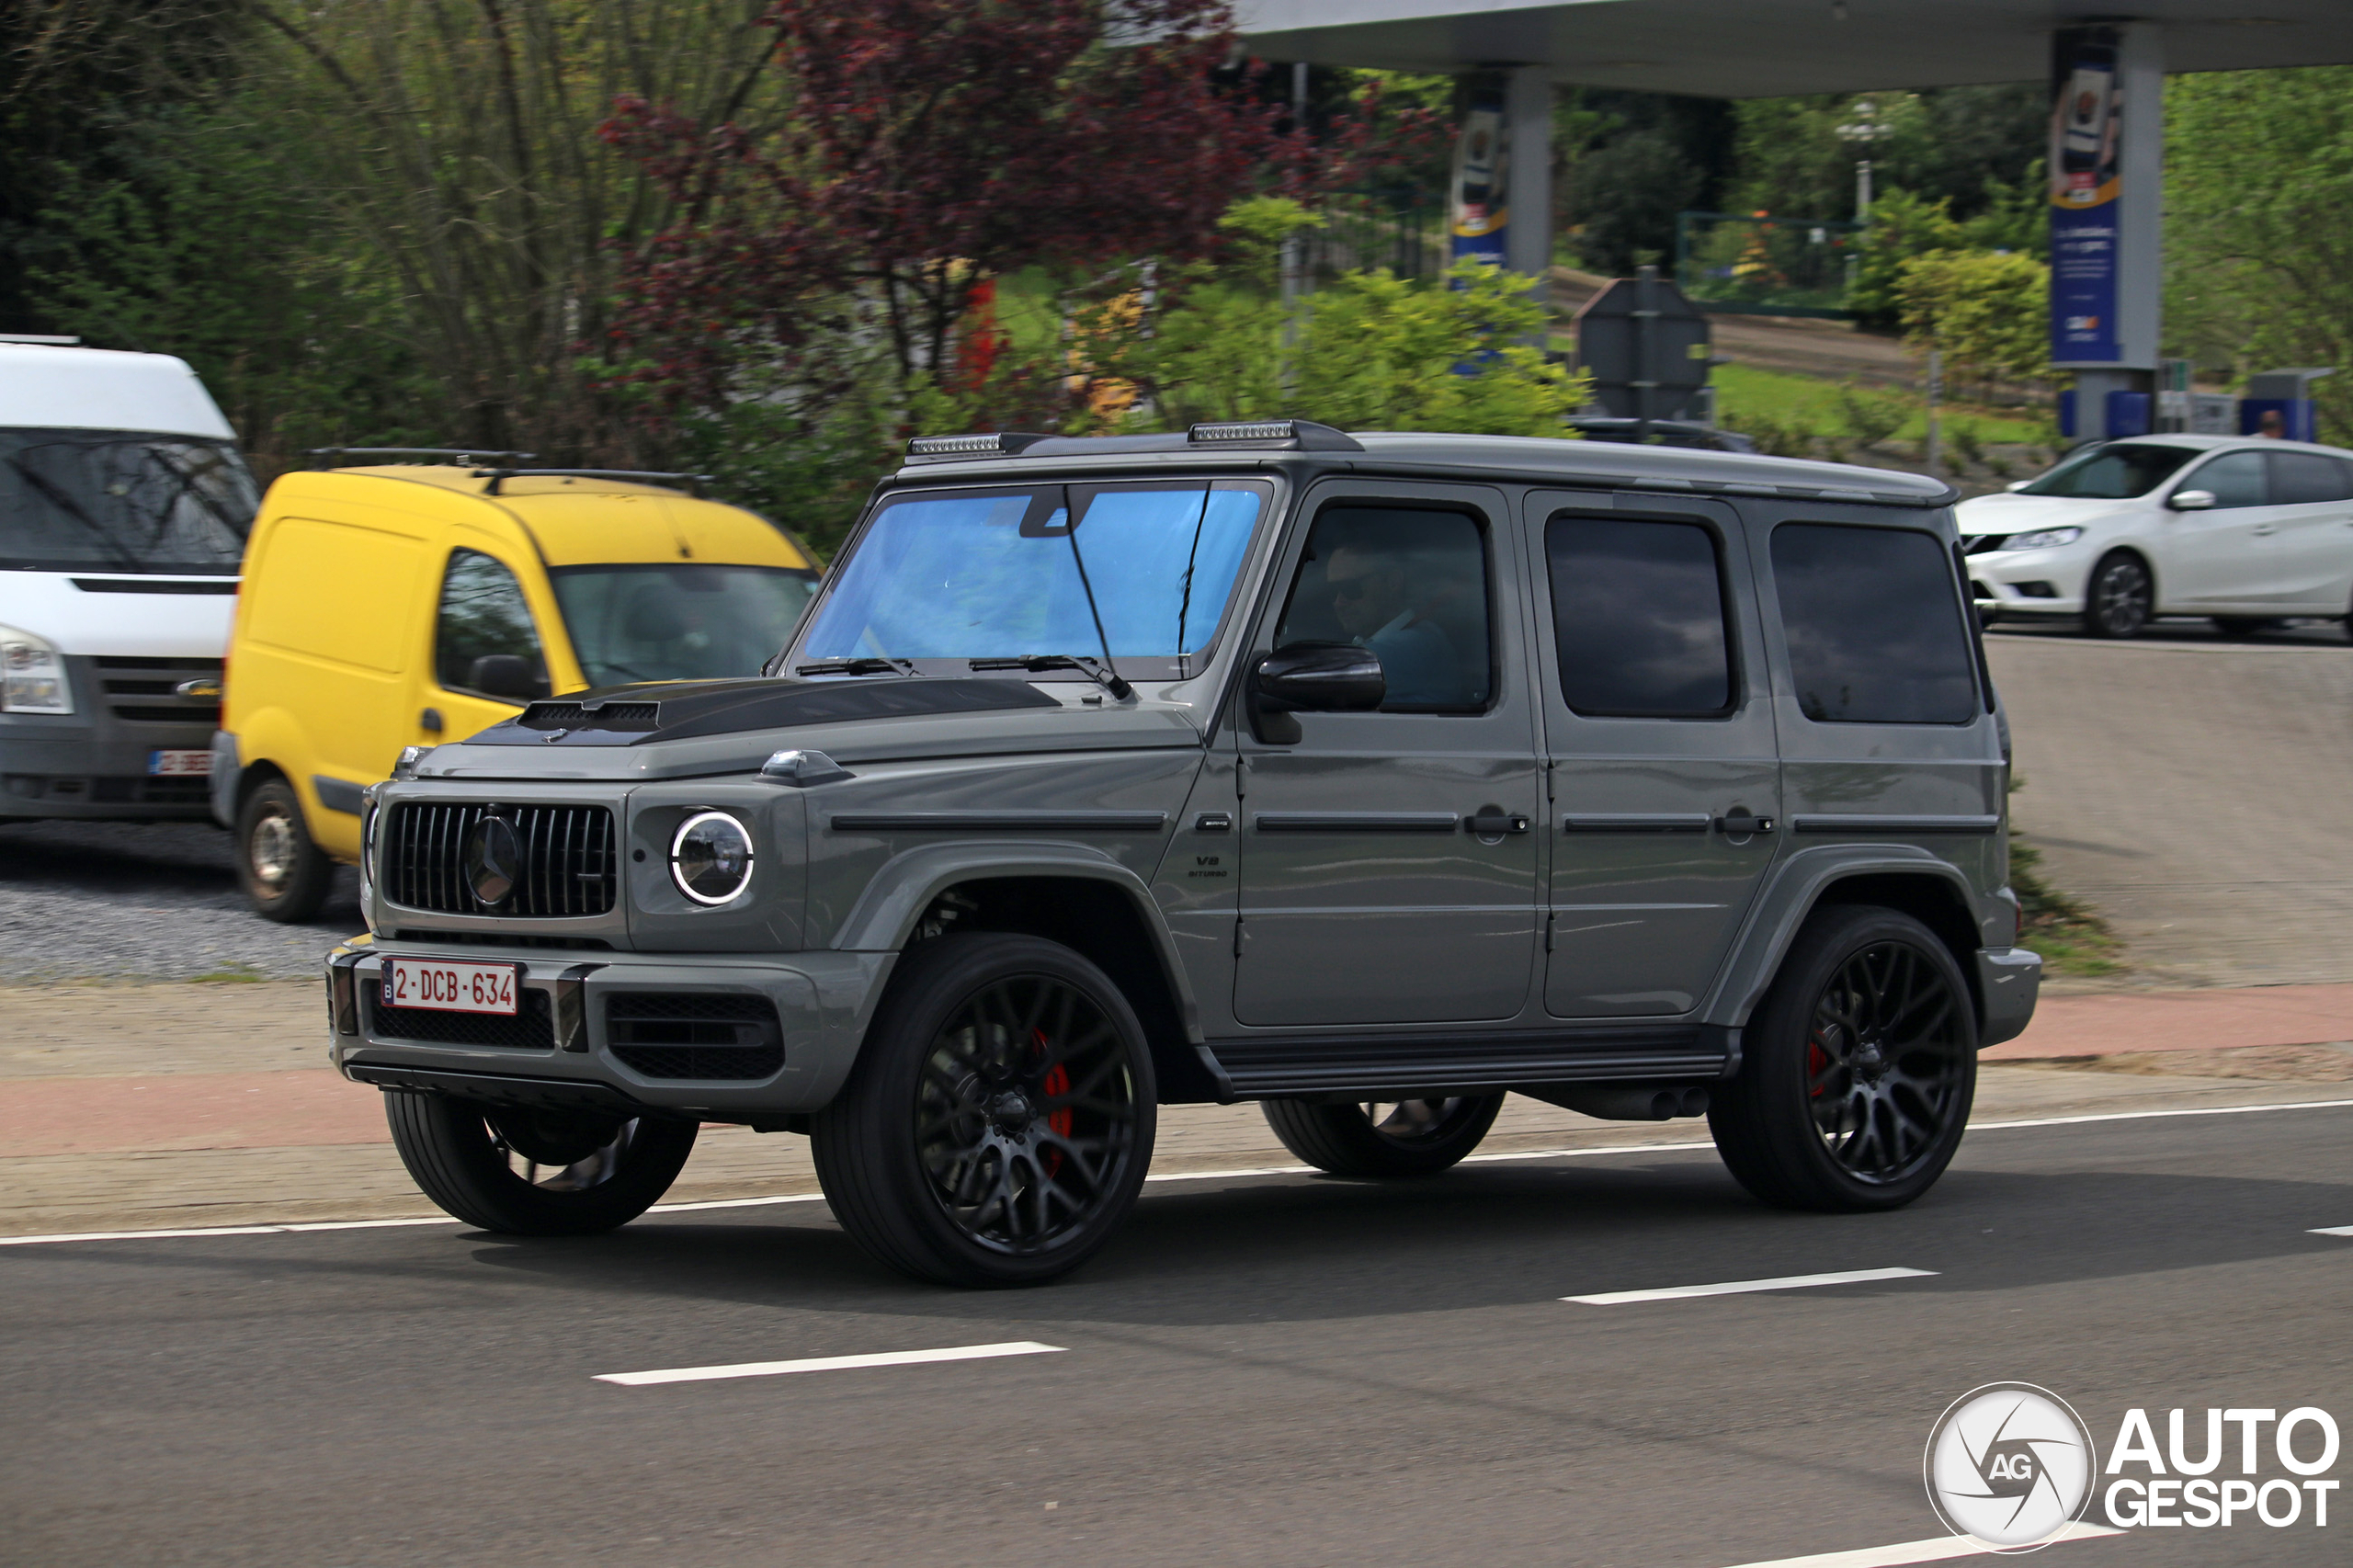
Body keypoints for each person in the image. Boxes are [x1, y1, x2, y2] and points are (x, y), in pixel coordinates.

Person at [1326, 540, 1460, 708]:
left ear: (1393, 582)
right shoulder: (1379, 644)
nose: (1339, 602)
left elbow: (1327, 679)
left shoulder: (1419, 644)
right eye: (1332, 591)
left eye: (1350, 587)